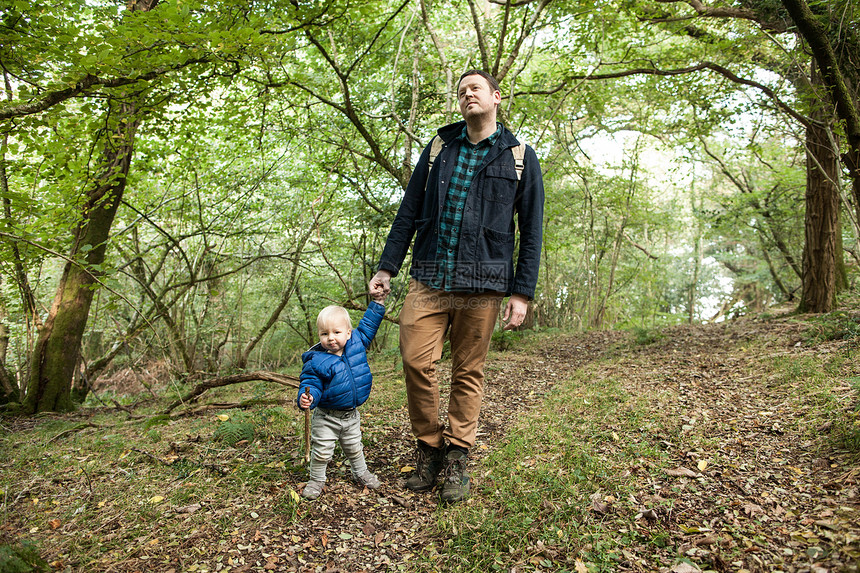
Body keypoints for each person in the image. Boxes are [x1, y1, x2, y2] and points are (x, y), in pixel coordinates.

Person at [368, 70, 544, 503]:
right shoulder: (438, 149)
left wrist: (521, 292)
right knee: (415, 360)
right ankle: (429, 446)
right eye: (462, 90)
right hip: (429, 276)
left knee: (468, 370)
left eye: (476, 89)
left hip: (483, 282)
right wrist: (387, 266)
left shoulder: (519, 156)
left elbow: (532, 229)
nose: (468, 94)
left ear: (496, 98)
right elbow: (408, 210)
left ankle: (458, 454)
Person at [297, 297, 387, 500]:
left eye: (336, 332)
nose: (331, 338)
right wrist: (307, 397)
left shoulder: (357, 343)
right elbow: (310, 383)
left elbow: (369, 324)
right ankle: (316, 479)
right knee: (322, 451)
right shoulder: (316, 361)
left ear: (348, 332)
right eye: (324, 333)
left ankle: (361, 472)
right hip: (326, 416)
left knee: (355, 447)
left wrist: (378, 304)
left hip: (351, 415)